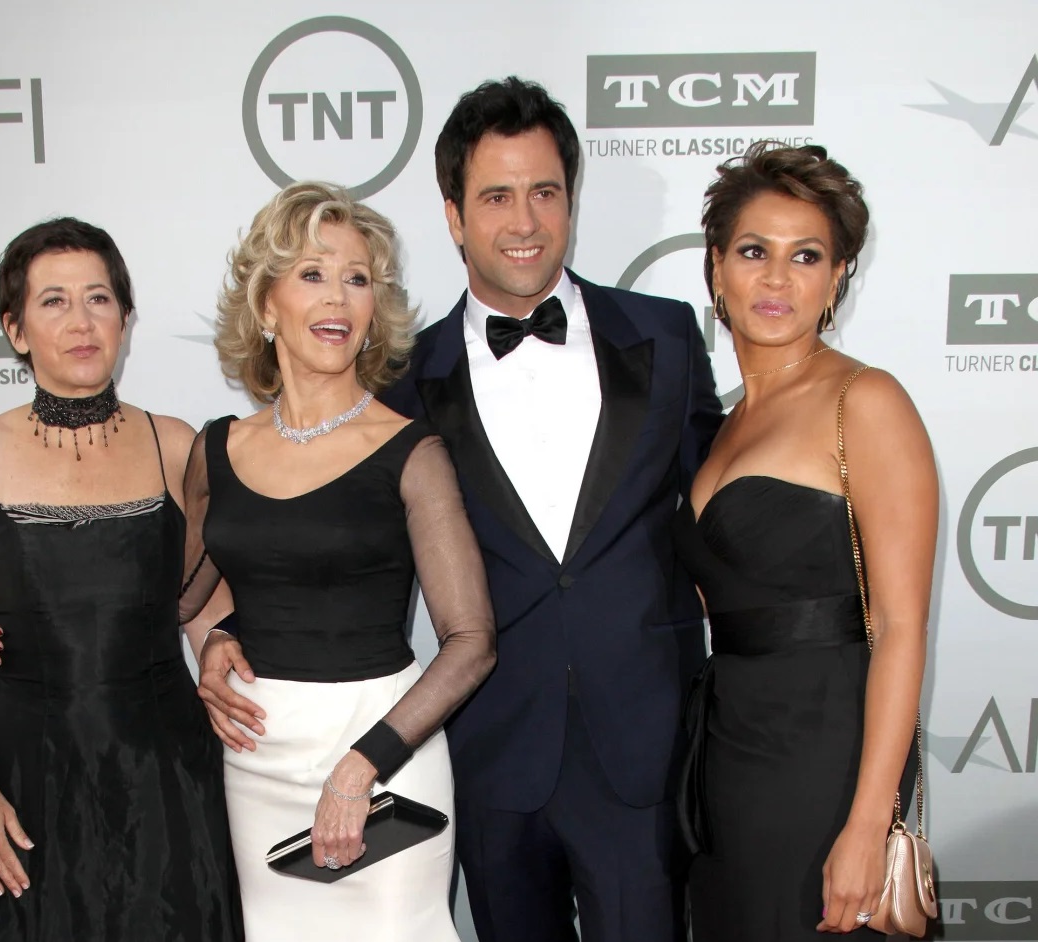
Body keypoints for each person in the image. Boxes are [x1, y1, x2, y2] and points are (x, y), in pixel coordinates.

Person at [208, 76, 713, 942]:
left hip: (643, 744)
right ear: (453, 215)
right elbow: (308, 541)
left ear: (571, 201)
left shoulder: (665, 336)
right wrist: (222, 630)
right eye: (496, 197)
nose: (524, 221)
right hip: (485, 752)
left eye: (545, 192)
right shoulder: (399, 386)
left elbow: (719, 524)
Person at [176, 181, 496, 941]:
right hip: (258, 754)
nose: (338, 298)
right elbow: (185, 598)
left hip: (383, 753)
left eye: (357, 278)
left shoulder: (410, 451)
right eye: (312, 273)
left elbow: (472, 642)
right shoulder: (216, 449)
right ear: (266, 305)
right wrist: (217, 640)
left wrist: (363, 766)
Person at [0, 218, 243, 941]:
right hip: (28, 774)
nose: (81, 322)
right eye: (54, 301)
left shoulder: (176, 444)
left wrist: (224, 646)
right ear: (16, 329)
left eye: (98, 298)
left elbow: (202, 608)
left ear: (125, 318)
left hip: (166, 770)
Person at [673, 141, 937, 939]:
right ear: (717, 267)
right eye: (755, 251)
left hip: (826, 755)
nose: (778, 279)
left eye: (807, 256)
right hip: (727, 758)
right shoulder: (722, 425)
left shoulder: (867, 400)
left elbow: (899, 628)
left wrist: (867, 821)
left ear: (838, 276)